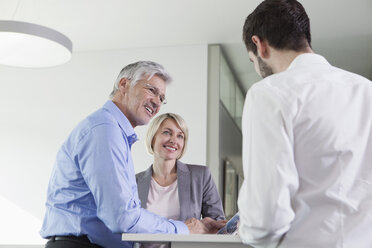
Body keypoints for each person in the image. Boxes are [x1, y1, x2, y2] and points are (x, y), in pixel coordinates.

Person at [40, 61, 224, 248]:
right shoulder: (105, 131)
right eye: (152, 90)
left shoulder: (113, 132)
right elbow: (123, 217)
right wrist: (184, 229)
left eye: (162, 98)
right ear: (124, 85)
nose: (157, 102)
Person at [237, 0, 372, 247]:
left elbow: (266, 221)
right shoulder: (367, 91)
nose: (257, 69)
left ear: (259, 45)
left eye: (252, 61)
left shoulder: (269, 93)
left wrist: (242, 229)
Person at [136, 113, 225, 222]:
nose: (173, 140)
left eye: (180, 136)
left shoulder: (201, 176)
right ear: (152, 138)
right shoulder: (134, 182)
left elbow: (217, 224)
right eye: (167, 133)